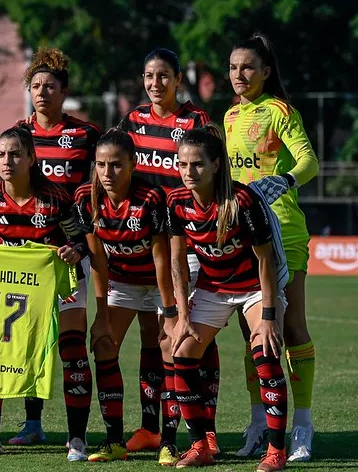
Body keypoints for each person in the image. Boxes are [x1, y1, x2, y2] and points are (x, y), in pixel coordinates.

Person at [0, 126, 90, 460]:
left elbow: (81, 240)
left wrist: (74, 251)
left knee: (72, 351)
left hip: (60, 282)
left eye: (14, 154)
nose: (6, 161)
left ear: (31, 157)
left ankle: (77, 439)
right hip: (13, 285)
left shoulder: (56, 197)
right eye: (0, 155)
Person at [167, 126, 289, 471]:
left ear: (216, 165)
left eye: (198, 165)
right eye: (183, 165)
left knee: (265, 354)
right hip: (212, 289)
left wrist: (267, 316)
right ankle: (199, 446)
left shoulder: (242, 201)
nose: (189, 172)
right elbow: (177, 262)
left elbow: (266, 259)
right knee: (182, 355)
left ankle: (276, 452)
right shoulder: (177, 202)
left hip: (255, 288)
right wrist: (181, 316)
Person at [118, 48, 220, 456]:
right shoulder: (133, 121)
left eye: (163, 76)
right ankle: (149, 427)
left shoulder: (197, 122)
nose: (155, 83)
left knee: (193, 336)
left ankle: (205, 428)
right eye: (148, 75)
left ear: (179, 79)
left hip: (190, 242)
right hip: (146, 242)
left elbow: (216, 173)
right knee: (151, 336)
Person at [225, 33, 319, 462]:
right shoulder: (228, 118)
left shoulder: (280, 111)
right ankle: (260, 422)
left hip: (285, 231)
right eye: (232, 67)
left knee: (292, 326)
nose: (238, 75)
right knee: (253, 335)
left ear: (265, 71)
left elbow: (310, 162)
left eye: (247, 67)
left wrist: (286, 180)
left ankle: (302, 424)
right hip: (246, 233)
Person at [10, 47, 101, 447]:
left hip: (69, 255)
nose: (42, 92)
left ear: (64, 91)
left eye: (50, 86)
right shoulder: (17, 135)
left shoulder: (85, 135)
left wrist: (86, 239)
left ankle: (77, 435)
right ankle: (32, 423)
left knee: (71, 343)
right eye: (35, 86)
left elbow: (101, 186)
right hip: (25, 256)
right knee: (29, 341)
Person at [75, 129, 175, 463]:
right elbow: (98, 261)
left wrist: (171, 311)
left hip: (158, 282)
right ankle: (114, 440)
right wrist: (101, 317)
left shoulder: (151, 197)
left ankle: (168, 441)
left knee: (167, 346)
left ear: (132, 163)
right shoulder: (85, 198)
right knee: (103, 343)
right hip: (122, 283)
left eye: (116, 165)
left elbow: (162, 259)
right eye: (101, 164)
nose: (107, 173)